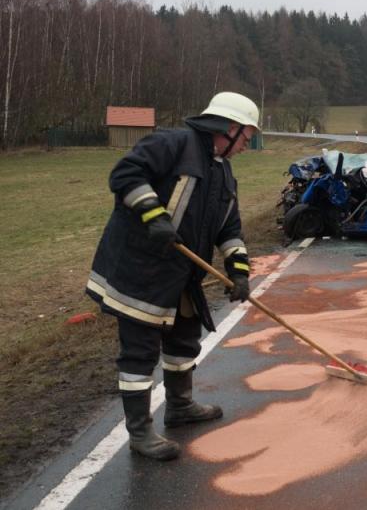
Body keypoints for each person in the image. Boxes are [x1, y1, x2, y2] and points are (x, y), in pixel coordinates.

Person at [85, 92, 260, 461]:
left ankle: (180, 407)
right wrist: (155, 215)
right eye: (246, 137)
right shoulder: (173, 144)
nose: (247, 145)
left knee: (183, 343)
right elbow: (126, 174)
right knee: (140, 353)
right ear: (229, 129)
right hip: (142, 271)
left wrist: (239, 273)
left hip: (182, 278)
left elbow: (230, 230)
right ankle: (140, 433)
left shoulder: (224, 173)